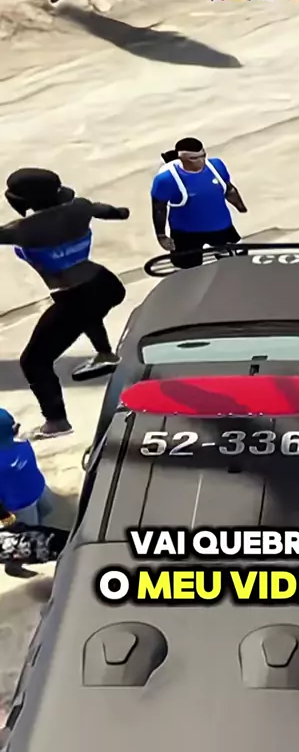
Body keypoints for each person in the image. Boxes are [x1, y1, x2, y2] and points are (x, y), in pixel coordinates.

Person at [0, 168, 129, 439]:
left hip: (73, 296)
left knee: (34, 362)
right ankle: (105, 355)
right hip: (106, 284)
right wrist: (120, 213)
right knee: (88, 314)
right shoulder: (79, 208)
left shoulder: (22, 231)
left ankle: (56, 421)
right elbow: (105, 210)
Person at [151, 137, 247, 269]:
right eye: (194, 158)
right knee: (188, 268)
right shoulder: (166, 180)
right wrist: (161, 235)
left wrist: (239, 205)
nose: (201, 161)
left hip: (221, 226)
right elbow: (159, 209)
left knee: (237, 261)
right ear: (181, 158)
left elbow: (229, 189)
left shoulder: (216, 166)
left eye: (203, 156)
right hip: (185, 233)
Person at [0, 409, 56, 576]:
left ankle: (39, 529)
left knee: (48, 509)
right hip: (19, 505)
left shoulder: (21, 443)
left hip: (38, 489)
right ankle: (14, 566)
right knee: (25, 538)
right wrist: (5, 517)